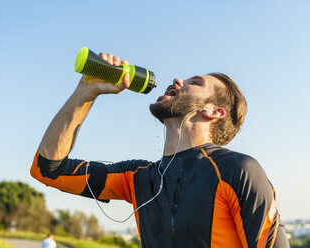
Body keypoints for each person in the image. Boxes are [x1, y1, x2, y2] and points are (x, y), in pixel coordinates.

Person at [31, 52, 289, 247]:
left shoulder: (238, 170)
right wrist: (85, 92)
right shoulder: (138, 177)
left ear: (214, 112)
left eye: (194, 82)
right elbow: (49, 170)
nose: (177, 79)